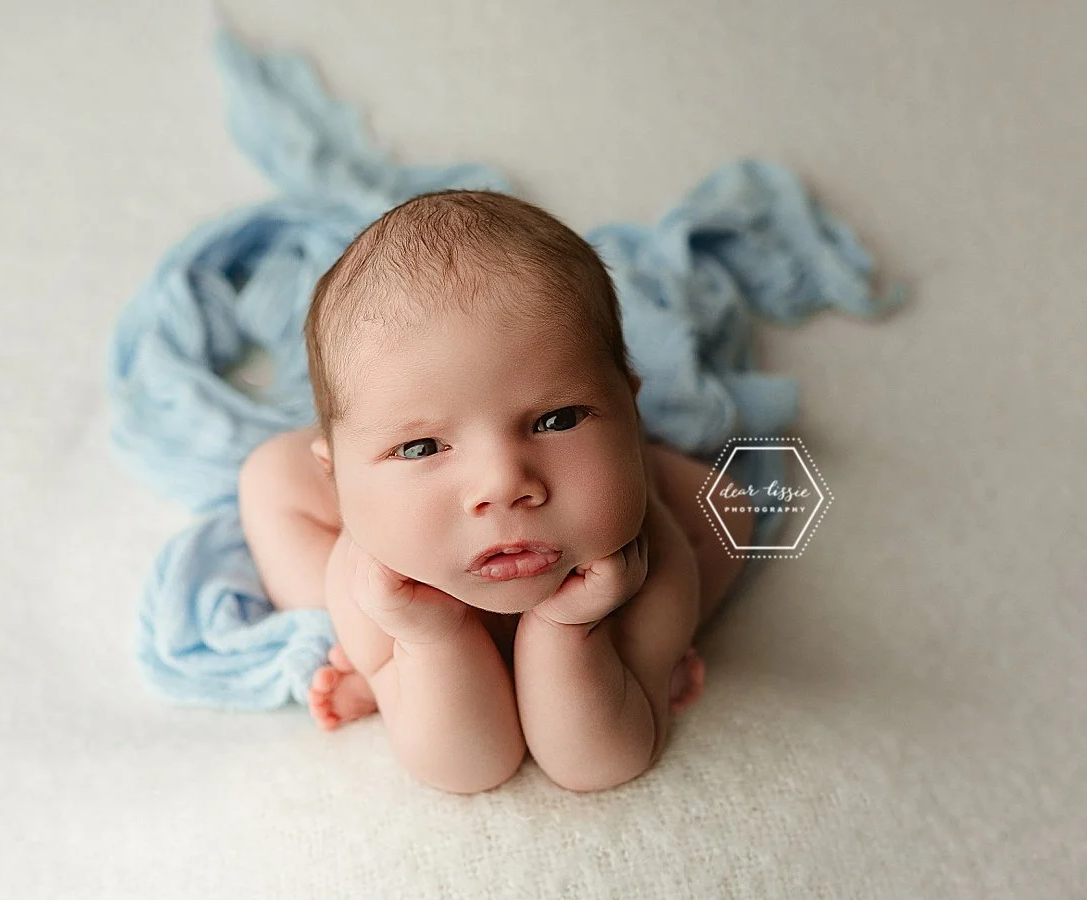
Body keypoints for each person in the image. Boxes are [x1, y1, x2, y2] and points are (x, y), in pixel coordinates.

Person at [237, 189, 754, 794]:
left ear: (629, 408)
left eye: (558, 419)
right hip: (403, 553)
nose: (503, 483)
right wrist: (431, 638)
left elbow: (594, 765)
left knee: (727, 508)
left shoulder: (648, 567)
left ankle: (647, 662)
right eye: (423, 447)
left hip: (614, 531)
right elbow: (471, 768)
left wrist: (572, 630)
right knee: (269, 478)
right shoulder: (376, 581)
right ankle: (377, 670)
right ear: (341, 477)